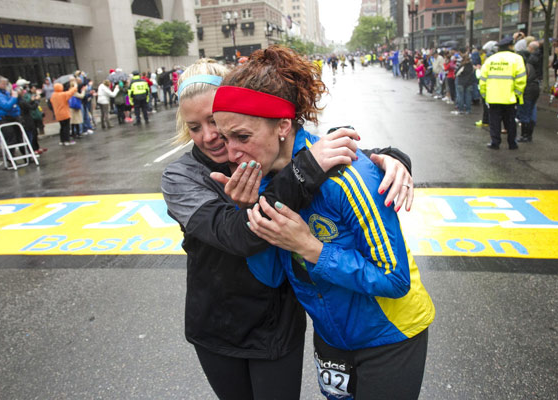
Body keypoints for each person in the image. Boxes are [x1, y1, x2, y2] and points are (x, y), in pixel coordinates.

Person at [161, 58, 416, 400]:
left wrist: (388, 157)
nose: (212, 138)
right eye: (196, 127)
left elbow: (328, 158)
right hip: (219, 324)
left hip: (281, 326)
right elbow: (240, 235)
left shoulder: (266, 158)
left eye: (218, 123)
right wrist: (302, 173)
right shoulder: (185, 176)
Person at [479, 36, 527, 150]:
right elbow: (521, 79)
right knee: (510, 121)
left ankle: (495, 142)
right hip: (509, 97)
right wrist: (517, 93)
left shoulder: (490, 60)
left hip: (493, 97)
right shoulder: (517, 59)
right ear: (510, 46)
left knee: (494, 121)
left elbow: (483, 80)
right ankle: (512, 143)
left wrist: (485, 95)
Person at [0, 75, 23, 154]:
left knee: (20, 138)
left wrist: (17, 97)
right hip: (4, 119)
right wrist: (14, 97)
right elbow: (7, 106)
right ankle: (10, 158)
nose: (5, 85)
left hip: (13, 117)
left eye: (5, 84)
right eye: (3, 84)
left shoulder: (5, 93)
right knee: (11, 139)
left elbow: (14, 104)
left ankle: (27, 157)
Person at [50, 80, 78, 146]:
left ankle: (62, 140)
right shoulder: (62, 95)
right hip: (65, 113)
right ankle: (67, 140)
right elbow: (70, 92)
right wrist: (75, 85)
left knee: (62, 127)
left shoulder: (53, 95)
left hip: (58, 114)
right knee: (66, 127)